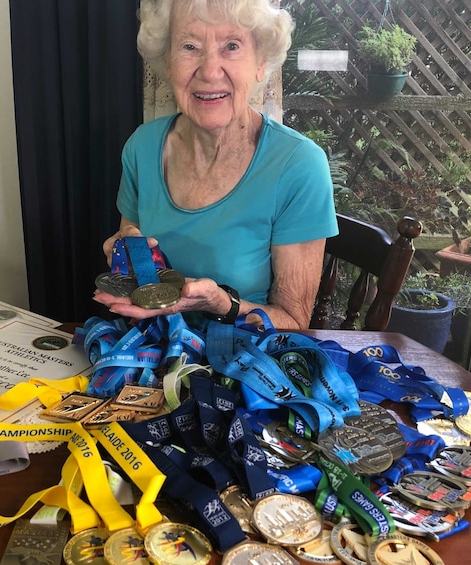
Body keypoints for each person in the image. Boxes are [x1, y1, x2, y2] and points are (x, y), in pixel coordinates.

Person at [94, 0, 337, 330]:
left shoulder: (298, 165)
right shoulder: (142, 146)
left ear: (260, 62)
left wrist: (222, 304)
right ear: (167, 61)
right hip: (150, 355)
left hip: (246, 367)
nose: (209, 71)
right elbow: (131, 241)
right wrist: (127, 254)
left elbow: (293, 322)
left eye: (232, 46)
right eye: (189, 46)